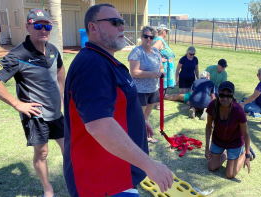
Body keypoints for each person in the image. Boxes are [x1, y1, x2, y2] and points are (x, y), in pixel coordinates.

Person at [63, 4, 173, 197]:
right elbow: (100, 125)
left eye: (122, 22)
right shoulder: (92, 64)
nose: (122, 27)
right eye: (115, 22)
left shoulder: (105, 61)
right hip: (100, 181)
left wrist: (139, 120)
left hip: (117, 173)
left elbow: (114, 104)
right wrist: (150, 165)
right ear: (93, 27)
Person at [0, 8, 64, 197]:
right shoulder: (18, 54)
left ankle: (73, 176)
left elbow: (60, 71)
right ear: (28, 26)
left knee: (68, 147)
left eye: (47, 26)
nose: (44, 30)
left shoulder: (52, 49)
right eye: (39, 25)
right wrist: (17, 104)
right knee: (42, 153)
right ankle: (47, 188)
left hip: (56, 113)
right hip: (35, 115)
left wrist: (62, 95)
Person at [205, 81, 251, 179]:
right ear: (218, 94)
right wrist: (206, 147)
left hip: (235, 142)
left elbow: (246, 134)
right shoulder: (212, 105)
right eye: (222, 95)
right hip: (218, 140)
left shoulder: (238, 110)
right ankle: (225, 154)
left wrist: (247, 155)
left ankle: (242, 154)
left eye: (228, 96)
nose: (225, 98)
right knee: (211, 167)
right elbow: (208, 126)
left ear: (232, 96)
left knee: (230, 175)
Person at [128, 26, 163, 143]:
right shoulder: (137, 52)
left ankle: (146, 137)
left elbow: (160, 66)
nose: (148, 39)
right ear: (141, 37)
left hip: (153, 89)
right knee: (138, 117)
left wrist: (161, 71)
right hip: (140, 91)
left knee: (146, 116)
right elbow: (134, 72)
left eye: (151, 37)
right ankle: (136, 138)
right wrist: (153, 74)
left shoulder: (156, 52)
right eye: (146, 36)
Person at [153, 24, 176, 90]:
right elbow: (152, 51)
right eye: (166, 31)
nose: (167, 33)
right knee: (161, 88)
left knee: (163, 89)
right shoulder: (159, 40)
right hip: (163, 67)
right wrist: (160, 59)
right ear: (163, 32)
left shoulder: (160, 40)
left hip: (166, 67)